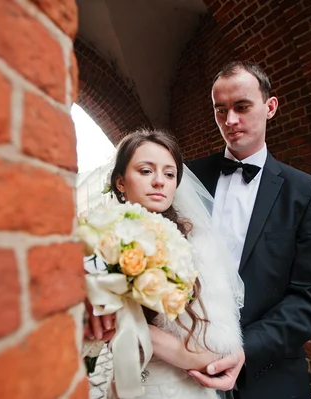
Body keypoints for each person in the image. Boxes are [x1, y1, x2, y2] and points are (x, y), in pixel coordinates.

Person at [186, 61, 311, 399]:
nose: (230, 121)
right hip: (187, 370)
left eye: (242, 107)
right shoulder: (186, 180)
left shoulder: (305, 191)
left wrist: (248, 350)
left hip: (270, 375)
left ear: (270, 107)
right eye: (220, 110)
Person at [83, 129, 245, 399]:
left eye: (169, 174)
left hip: (176, 388)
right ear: (120, 182)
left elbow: (213, 352)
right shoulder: (95, 239)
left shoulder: (196, 247)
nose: (159, 181)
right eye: (146, 171)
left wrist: (130, 324)